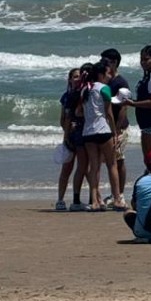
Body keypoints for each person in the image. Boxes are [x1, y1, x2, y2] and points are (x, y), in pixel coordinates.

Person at [77, 61, 123, 212]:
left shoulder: (85, 89)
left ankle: (95, 200)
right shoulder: (104, 88)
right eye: (108, 73)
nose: (110, 76)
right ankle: (117, 199)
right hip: (103, 130)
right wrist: (115, 132)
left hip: (88, 132)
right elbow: (108, 113)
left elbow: (80, 112)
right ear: (101, 74)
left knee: (94, 166)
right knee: (111, 164)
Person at [56, 67, 90, 211]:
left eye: (79, 76)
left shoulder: (85, 93)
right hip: (72, 136)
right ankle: (60, 199)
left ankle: (92, 197)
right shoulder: (67, 96)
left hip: (84, 134)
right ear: (70, 79)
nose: (77, 79)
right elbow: (63, 119)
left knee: (86, 168)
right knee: (67, 168)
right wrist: (67, 134)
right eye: (74, 76)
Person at [100, 48, 131, 205]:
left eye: (105, 61)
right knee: (111, 160)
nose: (103, 64)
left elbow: (124, 108)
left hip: (119, 127)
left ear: (114, 63)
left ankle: (120, 194)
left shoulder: (120, 82)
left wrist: (117, 129)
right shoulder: (106, 80)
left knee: (118, 159)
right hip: (107, 126)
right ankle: (115, 193)